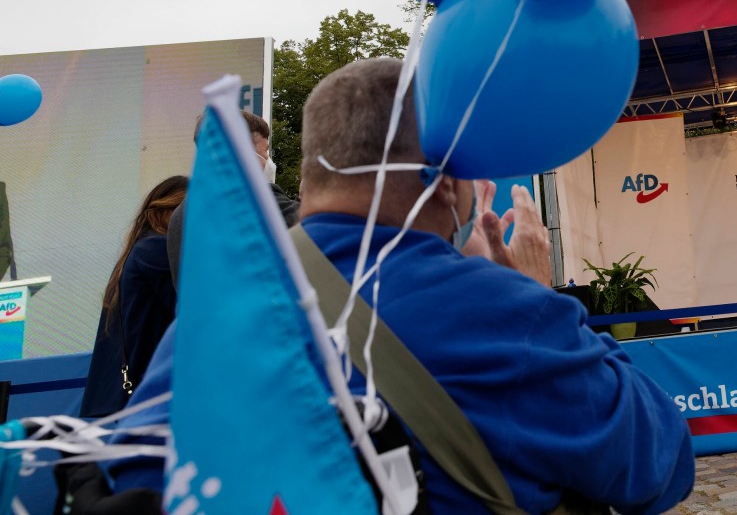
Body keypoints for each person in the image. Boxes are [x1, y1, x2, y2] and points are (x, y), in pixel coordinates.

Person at [107, 58, 694, 514]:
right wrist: (537, 296)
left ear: (311, 171)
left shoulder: (211, 324)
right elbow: (659, 465)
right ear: (444, 183)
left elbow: (131, 476)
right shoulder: (508, 316)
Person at [80, 175, 188, 418]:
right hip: (149, 399)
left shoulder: (140, 250)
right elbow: (197, 316)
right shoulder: (157, 251)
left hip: (123, 401)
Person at [167, 109, 298, 285]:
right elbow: (320, 227)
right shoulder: (253, 199)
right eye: (265, 151)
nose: (269, 160)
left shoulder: (180, 215)